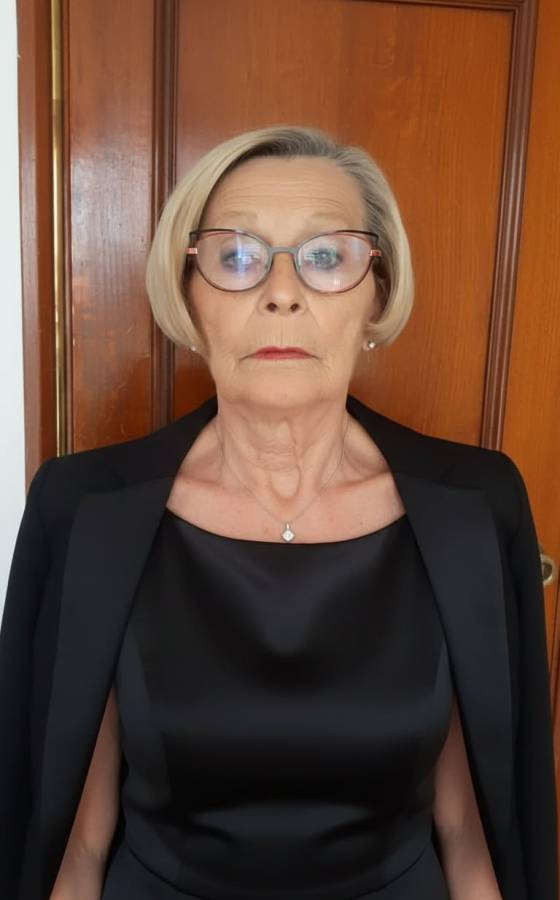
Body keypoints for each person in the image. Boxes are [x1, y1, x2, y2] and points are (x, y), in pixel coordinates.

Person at [0, 124, 556, 900]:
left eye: (327, 257)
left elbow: (468, 834)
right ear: (189, 298)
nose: (282, 292)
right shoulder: (86, 510)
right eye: (236, 256)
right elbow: (77, 848)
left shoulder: (475, 508)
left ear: (376, 295)